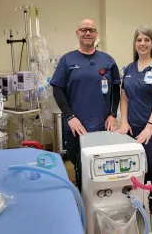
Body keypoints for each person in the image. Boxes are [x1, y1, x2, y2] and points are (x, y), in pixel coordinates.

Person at [50, 19, 121, 189]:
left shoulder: (107, 60)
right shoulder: (67, 60)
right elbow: (57, 90)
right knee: (79, 166)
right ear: (77, 33)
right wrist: (70, 117)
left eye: (91, 30)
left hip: (101, 126)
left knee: (102, 167)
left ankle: (101, 199)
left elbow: (116, 88)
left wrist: (113, 114)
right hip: (76, 127)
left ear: (96, 34)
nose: (87, 33)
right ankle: (83, 202)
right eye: (83, 29)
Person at [119, 25, 152, 234]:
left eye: (146, 40)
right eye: (139, 40)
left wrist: (150, 127)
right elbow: (124, 98)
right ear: (135, 44)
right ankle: (138, 213)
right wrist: (124, 122)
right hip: (133, 129)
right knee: (134, 173)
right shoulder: (130, 69)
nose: (142, 43)